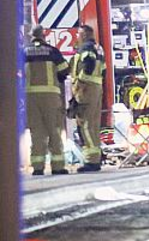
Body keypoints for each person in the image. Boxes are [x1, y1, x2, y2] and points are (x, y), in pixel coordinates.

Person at [24, 26, 71, 175]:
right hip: (51, 96)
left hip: (30, 97)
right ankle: (57, 166)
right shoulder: (53, 52)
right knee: (54, 130)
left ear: (31, 36)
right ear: (44, 36)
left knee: (36, 132)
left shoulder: (23, 52)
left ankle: (38, 167)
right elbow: (64, 71)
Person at [71, 25, 106, 171]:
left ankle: (91, 161)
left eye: (78, 34)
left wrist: (80, 82)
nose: (77, 37)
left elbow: (88, 65)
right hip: (96, 88)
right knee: (93, 125)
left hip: (86, 89)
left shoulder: (86, 48)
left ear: (85, 35)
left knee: (84, 125)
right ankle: (96, 158)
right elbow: (102, 70)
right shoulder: (98, 48)